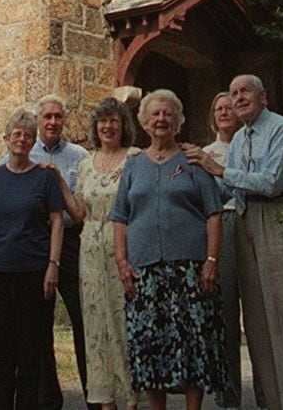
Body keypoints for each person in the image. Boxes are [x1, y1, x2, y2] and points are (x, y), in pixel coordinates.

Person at [183, 75, 283, 410]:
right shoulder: (240, 139)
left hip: (281, 213)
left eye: (245, 92)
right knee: (257, 322)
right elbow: (230, 191)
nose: (238, 98)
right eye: (234, 92)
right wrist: (190, 180)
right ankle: (271, 401)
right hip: (246, 219)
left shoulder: (282, 129)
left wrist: (218, 169)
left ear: (263, 97)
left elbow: (271, 182)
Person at [111, 89, 230, 410]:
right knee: (151, 346)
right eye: (156, 114)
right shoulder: (134, 165)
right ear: (145, 122)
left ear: (178, 122)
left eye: (168, 114)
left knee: (193, 343)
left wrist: (211, 260)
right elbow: (120, 217)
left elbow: (213, 214)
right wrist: (122, 261)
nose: (161, 119)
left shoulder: (193, 160)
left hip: (190, 270)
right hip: (144, 269)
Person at [0, 94, 92, 409]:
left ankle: (96, 396)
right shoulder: (23, 150)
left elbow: (84, 208)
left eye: (57, 117)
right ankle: (48, 400)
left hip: (72, 241)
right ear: (38, 121)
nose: (52, 122)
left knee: (84, 320)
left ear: (65, 120)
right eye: (47, 117)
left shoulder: (80, 156)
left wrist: (58, 180)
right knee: (39, 326)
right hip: (37, 243)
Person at [0, 108, 68, 410]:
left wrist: (53, 265)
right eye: (17, 134)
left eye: (28, 136)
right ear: (6, 139)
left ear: (33, 141)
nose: (22, 140)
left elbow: (56, 222)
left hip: (34, 274)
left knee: (32, 352)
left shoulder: (45, 178)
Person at [73, 97, 140, 410]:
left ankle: (132, 397)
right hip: (90, 252)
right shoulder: (86, 163)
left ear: (124, 125)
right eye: (103, 121)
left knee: (125, 323)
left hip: (124, 249)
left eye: (115, 120)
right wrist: (58, 183)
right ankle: (106, 400)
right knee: (97, 325)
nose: (109, 126)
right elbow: (78, 211)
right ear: (95, 127)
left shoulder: (135, 159)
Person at [201, 92, 258, 410]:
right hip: (223, 226)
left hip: (252, 223)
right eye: (218, 108)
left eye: (229, 108)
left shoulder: (251, 147)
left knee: (259, 315)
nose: (224, 112)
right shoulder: (207, 153)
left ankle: (268, 394)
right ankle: (228, 397)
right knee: (224, 317)